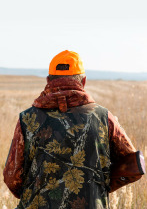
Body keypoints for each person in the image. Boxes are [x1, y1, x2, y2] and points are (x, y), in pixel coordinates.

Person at [3, 50, 145, 209]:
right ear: (83, 81)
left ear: (49, 80)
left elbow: (11, 177)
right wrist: (97, 188)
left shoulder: (27, 119)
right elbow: (134, 166)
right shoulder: (104, 118)